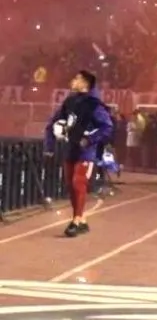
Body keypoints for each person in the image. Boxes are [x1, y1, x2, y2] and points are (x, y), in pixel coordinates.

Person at [44, 70, 113, 237]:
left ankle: (76, 220)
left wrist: (89, 140)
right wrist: (49, 145)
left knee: (78, 182)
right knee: (71, 186)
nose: (73, 80)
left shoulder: (94, 105)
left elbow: (107, 127)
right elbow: (52, 123)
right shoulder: (69, 102)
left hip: (86, 152)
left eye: (77, 78)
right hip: (70, 149)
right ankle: (81, 220)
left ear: (85, 83)